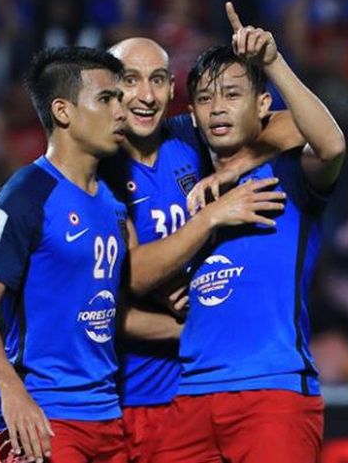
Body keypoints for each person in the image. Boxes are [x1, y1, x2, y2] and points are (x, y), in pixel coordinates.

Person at [0, 46, 285, 463]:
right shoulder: (27, 196)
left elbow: (109, 306)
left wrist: (185, 315)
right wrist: (12, 391)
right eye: (108, 98)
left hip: (106, 415)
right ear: (63, 112)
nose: (123, 109)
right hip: (44, 414)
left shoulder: (111, 206)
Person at [152, 3, 346, 463]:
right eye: (204, 98)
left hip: (272, 390)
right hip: (190, 395)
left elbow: (331, 143)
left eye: (233, 94)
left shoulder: (292, 174)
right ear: (193, 116)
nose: (218, 107)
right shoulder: (188, 183)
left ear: (263, 105)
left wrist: (273, 63)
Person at [104, 36, 304, 463]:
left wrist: (233, 166)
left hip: (204, 386)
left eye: (158, 80)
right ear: (109, 89)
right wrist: (210, 218)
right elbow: (133, 277)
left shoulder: (186, 136)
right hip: (133, 394)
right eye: (130, 80)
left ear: (173, 92)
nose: (145, 95)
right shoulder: (101, 169)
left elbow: (300, 125)